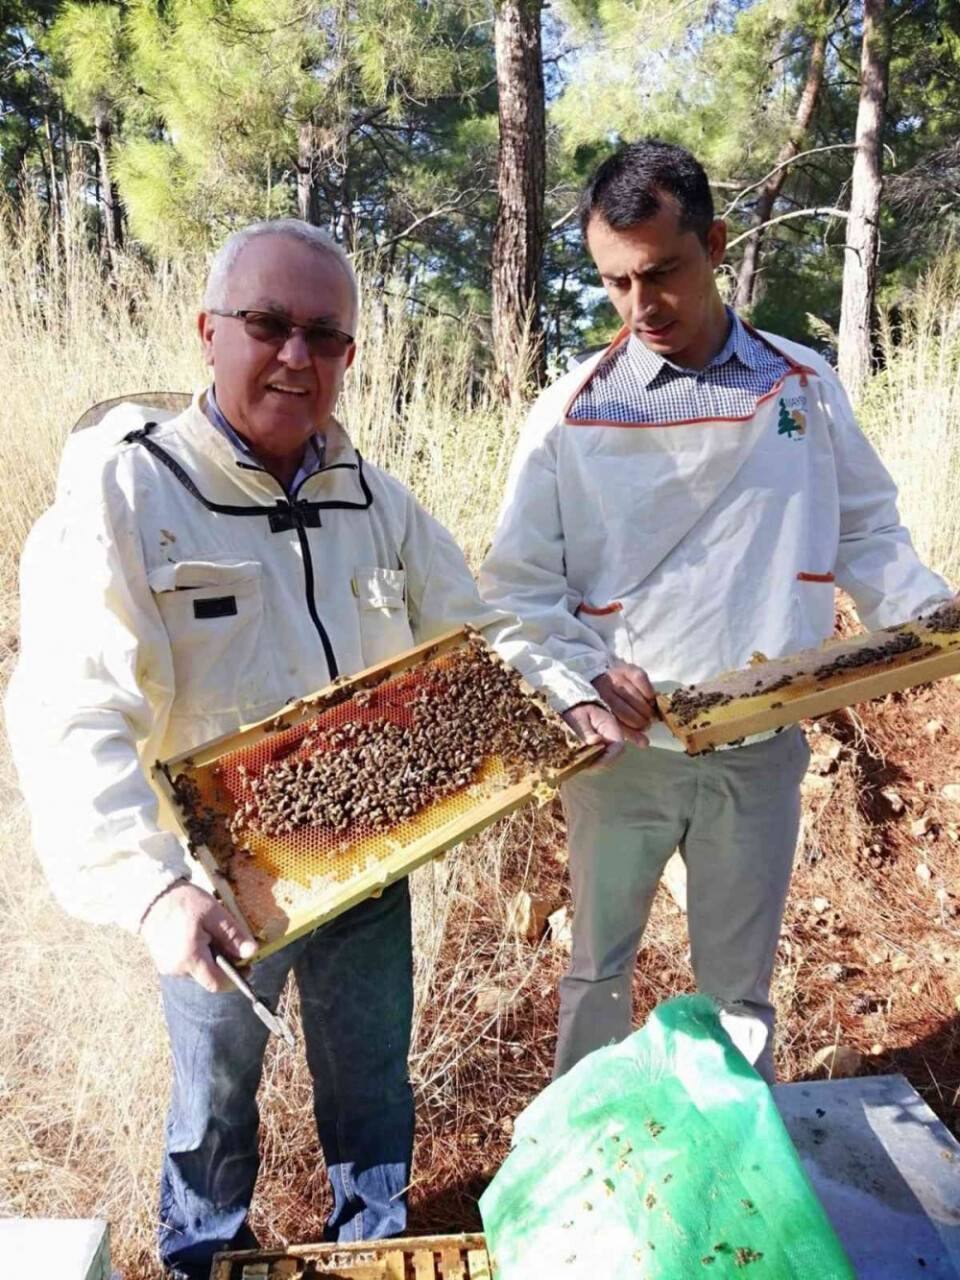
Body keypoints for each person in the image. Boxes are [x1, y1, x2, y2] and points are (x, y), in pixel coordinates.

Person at [5, 219, 597, 1280]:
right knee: (215, 1094)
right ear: (208, 331)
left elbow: (478, 636)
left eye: (324, 336)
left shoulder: (375, 498)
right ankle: (203, 1250)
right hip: (217, 886)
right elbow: (72, 711)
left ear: (349, 356)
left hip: (367, 869)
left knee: (372, 1079)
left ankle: (373, 1242)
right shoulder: (127, 497)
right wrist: (150, 893)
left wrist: (565, 700)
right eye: (268, 324)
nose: (295, 356)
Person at [479, 138, 954, 1085]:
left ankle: (739, 1181)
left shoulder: (803, 387)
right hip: (622, 758)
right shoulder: (569, 410)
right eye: (615, 283)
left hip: (759, 745)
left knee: (739, 994)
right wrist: (580, 680)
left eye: (662, 273)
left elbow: (865, 534)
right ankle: (588, 1170)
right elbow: (518, 591)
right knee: (596, 973)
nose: (641, 306)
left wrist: (935, 622)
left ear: (716, 243)